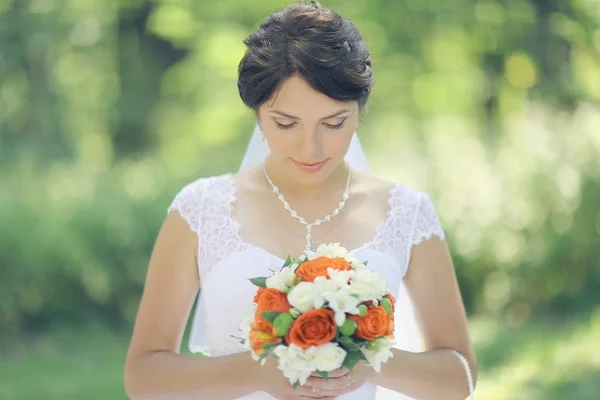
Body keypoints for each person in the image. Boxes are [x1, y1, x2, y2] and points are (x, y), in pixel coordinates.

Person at [124, 2, 477, 399]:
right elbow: (143, 377)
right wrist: (255, 371)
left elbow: (459, 376)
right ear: (257, 114)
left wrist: (371, 361)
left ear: (359, 112)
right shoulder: (200, 209)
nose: (310, 148)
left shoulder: (408, 212)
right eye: (286, 123)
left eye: (333, 123)